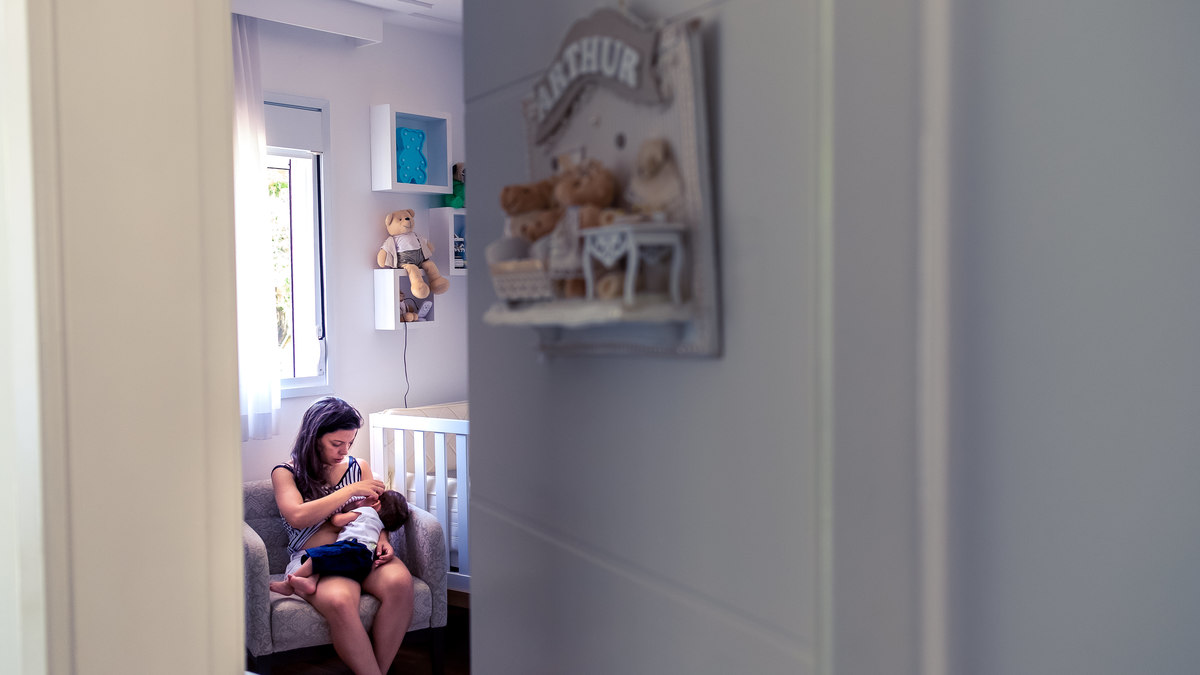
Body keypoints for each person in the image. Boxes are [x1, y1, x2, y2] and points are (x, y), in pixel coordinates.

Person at [272, 397, 415, 675]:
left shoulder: (358, 467)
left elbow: (377, 510)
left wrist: (383, 538)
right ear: (314, 438)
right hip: (316, 559)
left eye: (349, 443)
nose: (344, 451)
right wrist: (350, 491)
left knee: (400, 583)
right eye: (336, 443)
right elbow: (297, 516)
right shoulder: (286, 473)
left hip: (363, 550)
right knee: (340, 600)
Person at [270, 489, 409, 596]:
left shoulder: (366, 511)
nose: (362, 499)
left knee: (315, 557)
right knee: (326, 563)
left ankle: (288, 584)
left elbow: (337, 521)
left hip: (351, 549)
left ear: (375, 502)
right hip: (365, 561)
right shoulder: (380, 525)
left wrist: (337, 512)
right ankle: (311, 581)